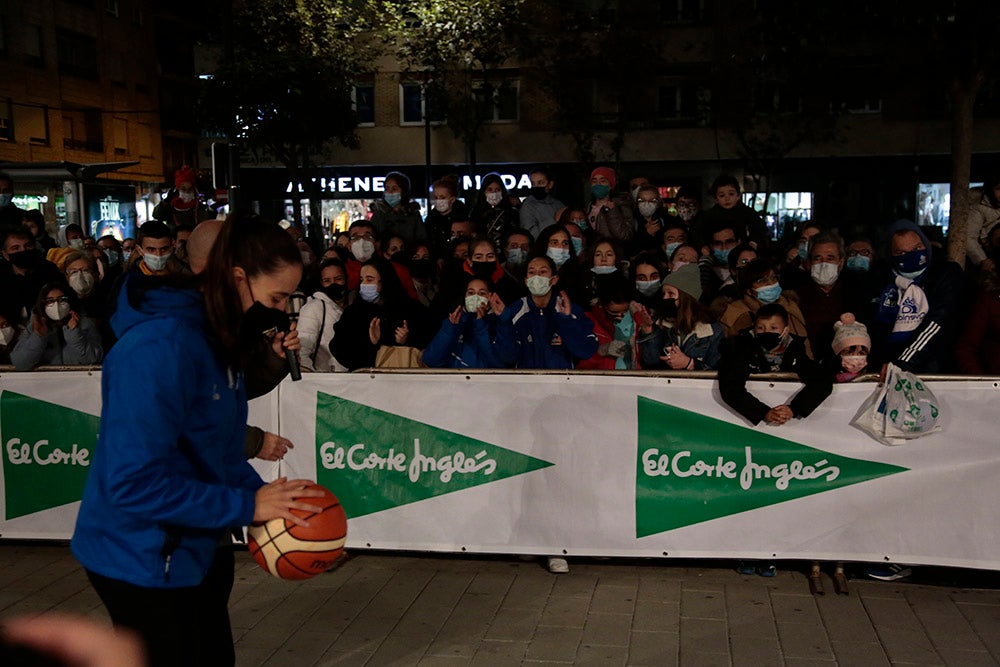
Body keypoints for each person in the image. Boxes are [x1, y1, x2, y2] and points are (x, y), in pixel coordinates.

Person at [71, 214, 322, 667]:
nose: (280, 310)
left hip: (189, 546)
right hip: (139, 558)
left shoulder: (217, 340)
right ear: (237, 278)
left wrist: (263, 496)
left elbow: (218, 448)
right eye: (276, 297)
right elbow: (132, 483)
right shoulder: (158, 348)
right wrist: (248, 507)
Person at [871, 219, 964, 373]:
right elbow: (873, 327)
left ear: (926, 246)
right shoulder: (881, 280)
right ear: (891, 255)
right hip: (883, 370)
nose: (911, 256)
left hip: (933, 370)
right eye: (901, 253)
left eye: (917, 248)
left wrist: (902, 363)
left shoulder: (946, 274)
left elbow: (937, 322)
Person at [718, 302, 832, 427]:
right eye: (761, 328)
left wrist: (794, 409)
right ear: (754, 328)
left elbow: (822, 380)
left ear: (785, 330)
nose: (766, 332)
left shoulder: (795, 349)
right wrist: (763, 412)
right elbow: (731, 387)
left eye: (773, 328)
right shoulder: (740, 348)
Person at [495, 255, 598, 370]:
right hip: (526, 384)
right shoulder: (513, 312)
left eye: (543, 272)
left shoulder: (570, 310)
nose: (537, 276)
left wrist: (566, 322)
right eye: (531, 272)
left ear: (554, 279)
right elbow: (507, 357)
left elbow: (586, 351)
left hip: (562, 384)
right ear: (526, 280)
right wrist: (504, 321)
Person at [331, 258, 432, 370]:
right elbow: (339, 347)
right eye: (361, 280)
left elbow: (428, 340)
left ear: (384, 280)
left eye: (369, 280)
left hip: (404, 381)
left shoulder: (410, 309)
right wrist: (371, 343)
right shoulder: (354, 312)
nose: (363, 284)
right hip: (365, 381)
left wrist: (405, 340)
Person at [636, 264, 724, 371]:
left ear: (686, 298)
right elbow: (651, 363)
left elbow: (717, 370)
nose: (665, 298)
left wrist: (689, 363)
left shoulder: (712, 332)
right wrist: (648, 331)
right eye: (664, 294)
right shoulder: (660, 325)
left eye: (670, 294)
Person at [720, 258, 810, 349]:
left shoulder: (789, 306)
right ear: (749, 290)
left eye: (773, 278)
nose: (770, 283)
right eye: (761, 281)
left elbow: (805, 345)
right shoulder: (738, 315)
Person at [11, 283, 103, 370]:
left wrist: (74, 332)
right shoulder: (34, 327)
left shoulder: (86, 325)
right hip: (46, 384)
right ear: (43, 304)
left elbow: (92, 360)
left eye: (62, 299)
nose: (56, 305)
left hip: (79, 384)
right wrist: (38, 337)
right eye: (50, 301)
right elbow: (20, 363)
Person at [422, 275, 506, 369]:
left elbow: (500, 364)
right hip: (454, 381)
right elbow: (431, 360)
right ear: (465, 296)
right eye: (471, 293)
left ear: (490, 297)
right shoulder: (455, 323)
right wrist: (450, 330)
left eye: (481, 293)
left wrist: (481, 325)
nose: (475, 297)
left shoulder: (499, 323)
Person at [0, 226, 64, 323]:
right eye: (15, 248)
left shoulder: (49, 270)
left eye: (28, 245)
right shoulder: (2, 277)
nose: (23, 250)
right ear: (5, 255)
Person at [298, 257, 350, 373]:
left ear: (346, 278)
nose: (333, 284)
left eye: (338, 279)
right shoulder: (313, 308)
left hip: (354, 381)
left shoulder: (356, 306)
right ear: (321, 283)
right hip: (325, 380)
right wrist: (316, 378)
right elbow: (302, 351)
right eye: (327, 280)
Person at [579, 275, 639, 370]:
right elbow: (578, 365)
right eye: (614, 312)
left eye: (625, 311)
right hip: (601, 381)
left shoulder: (638, 320)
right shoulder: (587, 321)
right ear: (602, 305)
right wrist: (600, 352)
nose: (620, 316)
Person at [698, 174, 769, 249]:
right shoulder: (709, 215)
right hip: (717, 252)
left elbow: (760, 229)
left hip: (741, 252)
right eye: (722, 195)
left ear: (738, 196)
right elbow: (697, 233)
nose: (727, 198)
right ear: (716, 199)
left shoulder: (747, 212)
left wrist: (753, 242)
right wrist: (703, 246)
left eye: (731, 194)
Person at [369, 171, 426, 243]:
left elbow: (421, 240)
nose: (390, 192)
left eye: (394, 189)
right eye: (387, 188)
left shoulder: (414, 215)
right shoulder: (378, 215)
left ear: (404, 192)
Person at [469, 172, 519, 249]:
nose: (494, 193)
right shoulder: (476, 213)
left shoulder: (511, 212)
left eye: (497, 189)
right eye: (490, 189)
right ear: (484, 192)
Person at [587, 166, 634, 244]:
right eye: (594, 181)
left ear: (610, 186)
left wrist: (612, 213)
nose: (598, 184)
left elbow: (625, 236)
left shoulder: (622, 207)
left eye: (603, 181)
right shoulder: (587, 209)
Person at [426, 175, 470, 255]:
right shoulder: (431, 218)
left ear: (452, 199)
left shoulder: (462, 218)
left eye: (442, 197)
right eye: (436, 197)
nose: (438, 200)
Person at [965, 174, 1000, 273]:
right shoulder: (979, 206)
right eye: (998, 189)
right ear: (990, 190)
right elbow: (969, 237)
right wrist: (982, 260)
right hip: (986, 252)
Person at [519, 166, 564, 239]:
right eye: (533, 183)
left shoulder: (558, 204)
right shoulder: (527, 206)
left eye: (540, 183)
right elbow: (530, 235)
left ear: (550, 184)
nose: (536, 187)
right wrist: (554, 219)